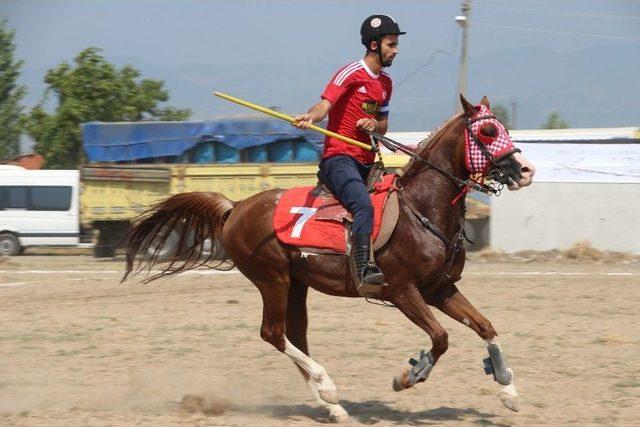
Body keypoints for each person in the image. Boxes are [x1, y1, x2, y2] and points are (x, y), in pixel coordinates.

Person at [293, 14, 405, 292]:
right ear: (375, 45)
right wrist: (310, 116)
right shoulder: (350, 73)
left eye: (396, 44)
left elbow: (384, 125)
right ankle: (363, 268)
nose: (396, 50)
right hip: (340, 159)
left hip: (369, 161)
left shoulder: (386, 84)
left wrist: (373, 124)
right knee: (363, 206)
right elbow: (324, 106)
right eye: (391, 44)